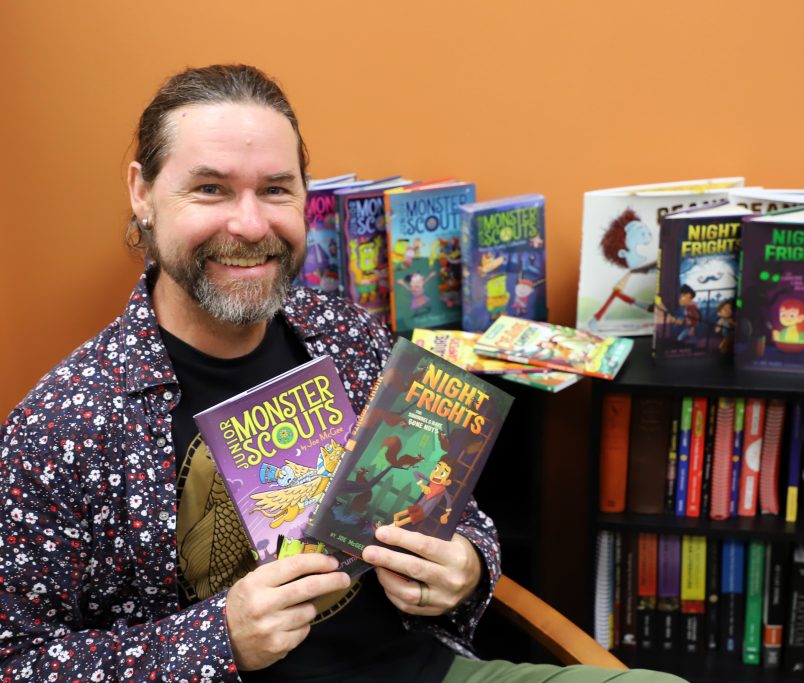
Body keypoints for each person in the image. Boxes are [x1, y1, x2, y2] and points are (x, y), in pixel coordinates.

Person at [0, 64, 683, 683]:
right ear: (142, 193)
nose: (249, 223)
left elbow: (456, 511)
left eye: (275, 190)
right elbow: (17, 658)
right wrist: (218, 637)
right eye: (209, 188)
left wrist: (466, 569)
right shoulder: (63, 423)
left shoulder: (345, 333)